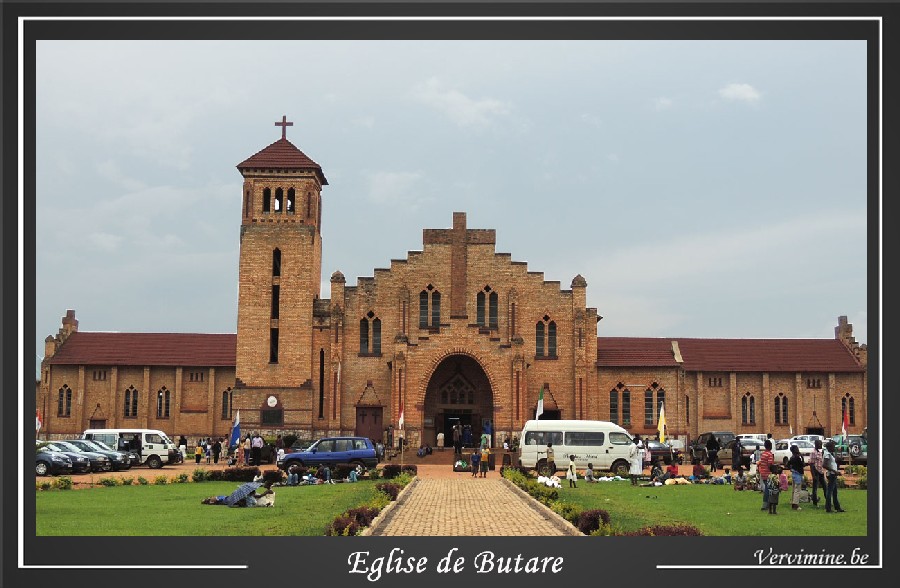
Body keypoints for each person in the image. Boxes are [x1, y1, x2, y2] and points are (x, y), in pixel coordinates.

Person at [823, 440, 845, 513]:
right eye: (833, 447)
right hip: (831, 474)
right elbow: (824, 465)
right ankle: (828, 508)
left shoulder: (830, 453)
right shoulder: (827, 454)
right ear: (829, 447)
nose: (834, 448)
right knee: (830, 492)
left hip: (833, 474)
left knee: (835, 492)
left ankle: (837, 507)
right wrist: (834, 471)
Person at [757, 439, 775, 511]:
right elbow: (770, 465)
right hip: (768, 473)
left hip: (763, 472)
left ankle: (767, 504)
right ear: (770, 446)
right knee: (768, 489)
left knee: (767, 489)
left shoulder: (763, 454)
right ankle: (765, 505)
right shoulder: (769, 454)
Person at [808, 439, 826, 508]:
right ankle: (815, 502)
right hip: (816, 471)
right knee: (815, 488)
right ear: (816, 445)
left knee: (825, 486)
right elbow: (811, 464)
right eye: (820, 444)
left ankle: (827, 501)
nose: (821, 445)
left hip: (820, 471)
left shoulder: (820, 452)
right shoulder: (813, 452)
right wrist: (813, 475)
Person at [788, 444, 805, 511]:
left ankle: (793, 501)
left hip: (794, 474)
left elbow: (788, 464)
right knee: (797, 490)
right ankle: (795, 504)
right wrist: (802, 457)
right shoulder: (798, 458)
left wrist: (791, 468)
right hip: (798, 474)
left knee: (794, 489)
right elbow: (802, 464)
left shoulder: (792, 458)